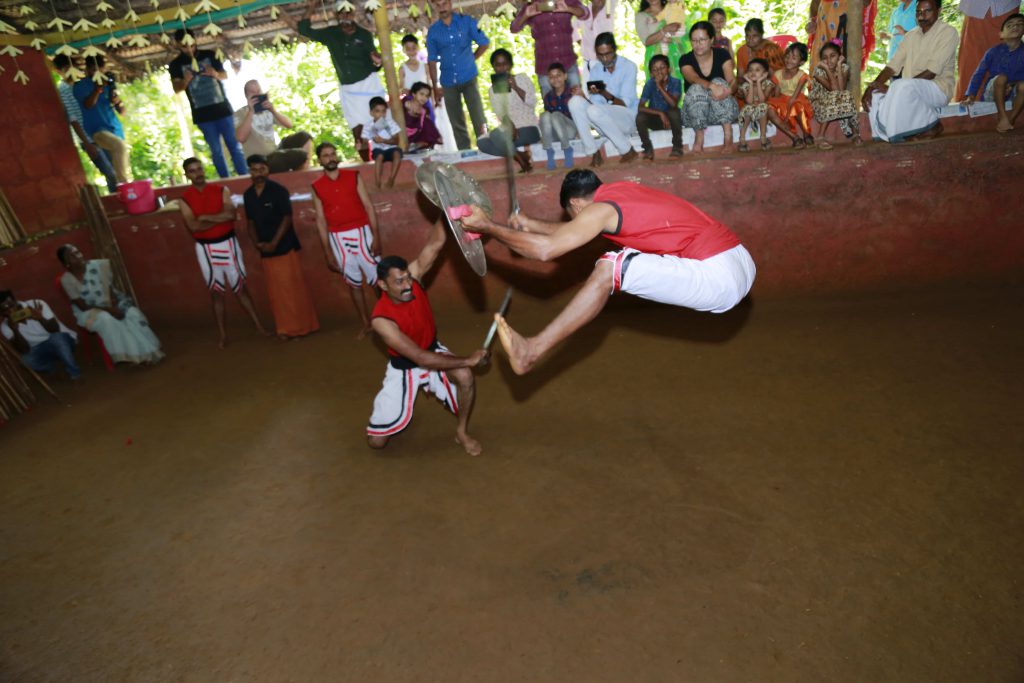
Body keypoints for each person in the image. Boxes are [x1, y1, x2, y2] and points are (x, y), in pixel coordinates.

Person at [459, 169, 756, 375]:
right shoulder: (620, 194)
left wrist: (488, 227)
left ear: (575, 203)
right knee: (613, 261)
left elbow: (545, 251)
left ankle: (532, 350)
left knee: (609, 266)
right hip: (738, 260)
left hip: (718, 276)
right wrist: (531, 224)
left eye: (573, 213)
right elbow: (575, 230)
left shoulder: (600, 211)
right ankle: (532, 349)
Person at [366, 221, 487, 456]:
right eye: (399, 282)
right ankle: (394, 416)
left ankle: (461, 432)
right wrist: (467, 359)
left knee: (465, 376)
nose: (408, 285)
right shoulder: (381, 321)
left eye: (408, 277)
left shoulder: (414, 278)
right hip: (406, 367)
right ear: (382, 285)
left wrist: (447, 208)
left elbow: (437, 242)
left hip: (432, 350)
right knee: (376, 443)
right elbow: (421, 358)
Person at [177, 157, 268, 348]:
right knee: (216, 293)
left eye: (200, 169)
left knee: (241, 288)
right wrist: (216, 218)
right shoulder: (185, 199)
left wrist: (204, 218)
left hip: (228, 244)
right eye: (193, 171)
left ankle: (259, 326)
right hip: (205, 248)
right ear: (187, 175)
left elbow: (231, 215)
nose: (198, 173)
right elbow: (193, 227)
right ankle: (223, 335)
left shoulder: (221, 190)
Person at [293, 0, 385, 160]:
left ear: (353, 13)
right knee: (358, 132)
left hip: (369, 84)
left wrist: (377, 60)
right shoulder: (331, 33)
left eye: (348, 11)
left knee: (379, 125)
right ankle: (366, 163)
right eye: (341, 12)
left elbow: (374, 58)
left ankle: (385, 157)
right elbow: (303, 28)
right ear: (336, 15)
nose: (345, 15)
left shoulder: (364, 34)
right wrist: (313, 5)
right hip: (349, 89)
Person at [242, 155, 319, 340]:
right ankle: (284, 328)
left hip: (283, 246)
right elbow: (250, 222)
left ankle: (301, 327)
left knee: (292, 289)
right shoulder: (248, 195)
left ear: (268, 170)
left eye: (262, 169)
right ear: (250, 172)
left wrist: (274, 242)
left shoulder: (278, 191)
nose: (258, 173)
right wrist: (257, 243)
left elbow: (286, 218)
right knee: (276, 292)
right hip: (265, 250)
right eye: (254, 170)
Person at [311, 142, 381, 338]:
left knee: (377, 280)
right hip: (337, 239)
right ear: (320, 160)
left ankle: (389, 319)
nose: (331, 158)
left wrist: (376, 237)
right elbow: (320, 221)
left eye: (333, 154)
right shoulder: (316, 186)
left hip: (362, 232)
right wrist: (327, 252)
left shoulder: (353, 176)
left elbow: (369, 207)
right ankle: (366, 324)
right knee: (353, 283)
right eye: (326, 155)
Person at [863, 0, 959, 143]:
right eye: (918, 12)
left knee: (900, 85)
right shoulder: (911, 35)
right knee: (875, 94)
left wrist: (896, 90)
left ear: (938, 11)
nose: (922, 16)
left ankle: (932, 125)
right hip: (908, 90)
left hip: (937, 89)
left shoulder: (948, 33)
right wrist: (872, 87)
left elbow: (931, 72)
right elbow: (892, 66)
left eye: (927, 11)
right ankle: (889, 135)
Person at [56, 245, 164, 365]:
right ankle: (132, 356)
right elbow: (82, 306)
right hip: (88, 311)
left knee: (131, 314)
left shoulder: (98, 266)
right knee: (107, 320)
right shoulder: (67, 280)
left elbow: (110, 292)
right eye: (72, 256)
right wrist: (110, 310)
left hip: (109, 302)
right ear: (66, 264)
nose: (78, 257)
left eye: (78, 252)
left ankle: (148, 352)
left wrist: (114, 305)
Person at [169, 29, 247, 179]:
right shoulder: (175, 64)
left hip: (222, 109)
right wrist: (186, 80)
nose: (189, 48)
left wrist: (215, 74)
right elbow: (176, 89)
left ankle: (243, 176)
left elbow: (225, 75)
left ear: (195, 40)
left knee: (234, 146)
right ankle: (225, 179)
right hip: (202, 114)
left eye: (191, 44)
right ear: (178, 45)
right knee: (216, 150)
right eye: (184, 46)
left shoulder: (209, 55)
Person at [427, 0, 490, 150]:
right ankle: (465, 153)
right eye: (438, 5)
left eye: (444, 3)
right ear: (435, 7)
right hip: (448, 81)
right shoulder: (433, 31)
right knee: (456, 122)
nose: (442, 8)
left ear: (450, 4)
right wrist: (435, 87)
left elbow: (484, 42)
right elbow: (432, 61)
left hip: (469, 76)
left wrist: (472, 58)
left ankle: (487, 148)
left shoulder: (466, 21)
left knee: (479, 116)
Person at [569, 32, 640, 166]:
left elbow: (624, 105)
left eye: (608, 53)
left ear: (615, 49)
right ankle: (593, 151)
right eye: (600, 55)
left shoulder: (629, 67)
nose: (605, 59)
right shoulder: (596, 70)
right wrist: (584, 97)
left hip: (627, 119)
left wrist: (604, 93)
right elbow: (594, 105)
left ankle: (627, 150)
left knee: (594, 111)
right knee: (575, 102)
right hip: (604, 122)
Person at [53, 55, 118, 193]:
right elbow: (73, 119)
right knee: (110, 173)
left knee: (117, 172)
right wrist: (87, 143)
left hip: (100, 131)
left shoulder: (83, 84)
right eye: (66, 68)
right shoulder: (64, 89)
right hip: (88, 138)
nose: (71, 70)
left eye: (73, 66)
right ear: (58, 71)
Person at [477, 49, 541, 173]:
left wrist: (516, 87)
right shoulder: (492, 90)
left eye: (505, 64)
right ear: (494, 67)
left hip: (528, 127)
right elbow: (500, 113)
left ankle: (520, 157)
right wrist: (510, 126)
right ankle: (520, 156)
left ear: (511, 65)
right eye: (498, 65)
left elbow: (532, 103)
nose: (502, 68)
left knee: (496, 135)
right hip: (509, 129)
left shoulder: (522, 78)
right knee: (482, 143)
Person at [680, 21, 739, 153]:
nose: (698, 44)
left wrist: (728, 90)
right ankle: (699, 138)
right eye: (694, 40)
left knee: (720, 81)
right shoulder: (685, 59)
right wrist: (711, 86)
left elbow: (732, 80)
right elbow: (693, 78)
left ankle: (728, 137)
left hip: (722, 111)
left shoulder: (722, 54)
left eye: (702, 40)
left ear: (711, 40)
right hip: (694, 115)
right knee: (696, 88)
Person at [72, 56, 131, 184]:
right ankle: (125, 185)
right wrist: (97, 89)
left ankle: (124, 187)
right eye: (94, 70)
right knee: (119, 147)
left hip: (115, 130)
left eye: (100, 70)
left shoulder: (108, 84)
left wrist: (117, 100)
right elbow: (88, 105)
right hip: (97, 131)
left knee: (121, 164)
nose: (97, 73)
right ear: (87, 70)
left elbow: (122, 111)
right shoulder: (80, 86)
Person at [962, 12, 1024, 132]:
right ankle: (1002, 116)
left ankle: (1010, 120)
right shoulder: (992, 52)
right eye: (1010, 25)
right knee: (1001, 78)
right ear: (1001, 34)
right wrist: (970, 96)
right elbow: (978, 73)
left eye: (1020, 24)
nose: (1015, 27)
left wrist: (1013, 85)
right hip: (993, 92)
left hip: (1013, 93)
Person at [233, 80, 312, 173]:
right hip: (260, 159)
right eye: (253, 92)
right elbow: (240, 138)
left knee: (304, 136)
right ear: (246, 96)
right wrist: (251, 112)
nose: (257, 94)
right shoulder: (240, 113)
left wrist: (273, 110)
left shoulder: (267, 110)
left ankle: (303, 172)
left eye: (259, 91)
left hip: (275, 152)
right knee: (300, 155)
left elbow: (289, 125)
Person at [1, 290, 80, 380]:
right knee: (25, 361)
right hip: (39, 349)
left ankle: (75, 374)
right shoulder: (5, 326)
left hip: (62, 340)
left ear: (16, 301)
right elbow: (24, 350)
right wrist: (15, 330)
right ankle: (51, 368)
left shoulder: (36, 304)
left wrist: (40, 318)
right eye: (4, 310)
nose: (10, 311)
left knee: (57, 338)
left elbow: (55, 330)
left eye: (11, 306)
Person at [511, 0, 587, 94]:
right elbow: (514, 28)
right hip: (544, 66)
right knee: (549, 104)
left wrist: (568, 8)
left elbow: (585, 13)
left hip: (568, 62)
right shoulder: (532, 5)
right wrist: (526, 14)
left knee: (578, 100)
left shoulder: (567, 1)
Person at [954, 0, 1021, 100]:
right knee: (971, 61)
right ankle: (967, 103)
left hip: (1006, 7)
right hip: (976, 8)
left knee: (1007, 62)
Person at [810, 42, 864, 147]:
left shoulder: (844, 68)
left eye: (833, 56)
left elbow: (841, 89)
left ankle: (856, 134)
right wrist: (826, 69)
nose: (829, 60)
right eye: (825, 58)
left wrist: (839, 66)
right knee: (835, 96)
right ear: (821, 60)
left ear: (839, 56)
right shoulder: (818, 71)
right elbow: (834, 90)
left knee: (846, 95)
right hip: (820, 102)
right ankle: (820, 137)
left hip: (838, 101)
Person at [807, 0, 878, 70]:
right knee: (819, 72)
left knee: (842, 72)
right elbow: (815, 3)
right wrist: (812, 21)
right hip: (822, 35)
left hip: (846, 37)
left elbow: (866, 2)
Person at [636, 54, 684, 159]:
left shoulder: (676, 82)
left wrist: (660, 86)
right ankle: (647, 149)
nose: (659, 71)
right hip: (657, 120)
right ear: (651, 73)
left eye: (662, 67)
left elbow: (673, 104)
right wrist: (660, 113)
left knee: (673, 111)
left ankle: (677, 147)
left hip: (672, 121)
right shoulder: (649, 84)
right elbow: (640, 107)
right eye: (655, 69)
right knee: (640, 117)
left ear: (669, 69)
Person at [767, 42, 814, 146]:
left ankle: (806, 133)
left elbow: (794, 97)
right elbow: (775, 92)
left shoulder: (802, 75)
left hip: (797, 99)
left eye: (793, 57)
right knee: (769, 110)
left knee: (796, 106)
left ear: (801, 62)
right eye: (787, 56)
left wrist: (786, 110)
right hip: (783, 100)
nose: (789, 60)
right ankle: (795, 138)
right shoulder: (778, 74)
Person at [540, 62, 579, 169]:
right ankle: (549, 151)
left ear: (565, 76)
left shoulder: (573, 92)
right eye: (551, 77)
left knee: (556, 115)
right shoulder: (548, 97)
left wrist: (580, 131)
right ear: (548, 80)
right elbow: (547, 121)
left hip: (570, 130)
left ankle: (567, 149)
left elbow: (579, 115)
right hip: (557, 133)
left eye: (558, 75)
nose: (555, 79)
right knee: (545, 115)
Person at [362, 97, 404, 189]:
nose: (381, 114)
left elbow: (397, 141)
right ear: (371, 113)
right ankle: (377, 182)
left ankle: (392, 179)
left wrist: (383, 140)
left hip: (391, 149)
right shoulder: (368, 125)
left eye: (383, 111)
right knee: (379, 156)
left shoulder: (390, 123)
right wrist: (361, 144)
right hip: (378, 150)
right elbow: (365, 141)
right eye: (378, 111)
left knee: (397, 153)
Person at [636, 0, 685, 79]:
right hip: (656, 61)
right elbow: (646, 41)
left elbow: (686, 35)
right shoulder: (641, 16)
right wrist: (664, 30)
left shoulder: (674, 9)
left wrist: (673, 39)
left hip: (677, 57)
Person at [575, 0, 616, 82]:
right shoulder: (584, 11)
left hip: (606, 62)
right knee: (588, 92)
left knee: (608, 91)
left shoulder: (609, 6)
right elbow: (572, 29)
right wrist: (582, 43)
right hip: (588, 62)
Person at [404, 82, 443, 150]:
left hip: (415, 134)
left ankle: (417, 144)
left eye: (427, 96)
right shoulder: (406, 103)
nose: (424, 98)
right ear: (413, 94)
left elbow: (423, 126)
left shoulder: (424, 110)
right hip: (403, 134)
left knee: (427, 121)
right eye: (421, 94)